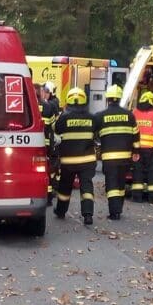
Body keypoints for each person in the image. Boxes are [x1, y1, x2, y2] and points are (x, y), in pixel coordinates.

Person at [52, 86, 96, 225]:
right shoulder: (92, 117)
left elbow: (54, 129)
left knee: (65, 187)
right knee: (87, 187)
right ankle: (88, 215)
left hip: (68, 161)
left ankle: (60, 211)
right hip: (88, 160)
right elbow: (96, 133)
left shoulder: (63, 117)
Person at [95, 84, 138, 220]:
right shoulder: (129, 115)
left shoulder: (100, 116)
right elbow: (136, 135)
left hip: (109, 157)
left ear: (107, 99)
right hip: (125, 157)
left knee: (112, 184)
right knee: (120, 184)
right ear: (119, 99)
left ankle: (114, 212)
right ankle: (118, 208)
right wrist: (136, 151)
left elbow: (94, 136)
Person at [132, 90, 153, 203]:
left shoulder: (134, 112)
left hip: (137, 148)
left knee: (137, 171)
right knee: (152, 172)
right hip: (150, 148)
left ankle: (136, 197)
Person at [38, 81, 61, 205]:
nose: (44, 93)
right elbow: (55, 126)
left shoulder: (31, 105)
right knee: (49, 170)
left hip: (33, 145)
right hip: (48, 145)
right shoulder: (50, 106)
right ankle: (48, 197)